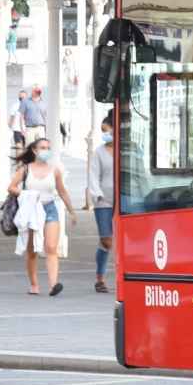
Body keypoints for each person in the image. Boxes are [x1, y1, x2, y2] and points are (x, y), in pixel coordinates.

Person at [9, 137, 75, 296]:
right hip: (32, 210)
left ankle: (53, 284)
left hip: (50, 209)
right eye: (42, 147)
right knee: (32, 250)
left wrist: (71, 211)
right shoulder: (25, 169)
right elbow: (11, 187)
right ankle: (34, 284)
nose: (46, 151)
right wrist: (27, 194)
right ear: (34, 150)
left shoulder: (55, 170)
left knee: (51, 247)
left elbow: (62, 191)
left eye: (48, 148)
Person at [84, 116, 115, 294]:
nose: (106, 134)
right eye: (103, 131)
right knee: (106, 240)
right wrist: (97, 196)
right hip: (104, 201)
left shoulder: (126, 150)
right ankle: (100, 277)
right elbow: (93, 176)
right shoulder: (98, 153)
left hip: (124, 200)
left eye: (108, 130)